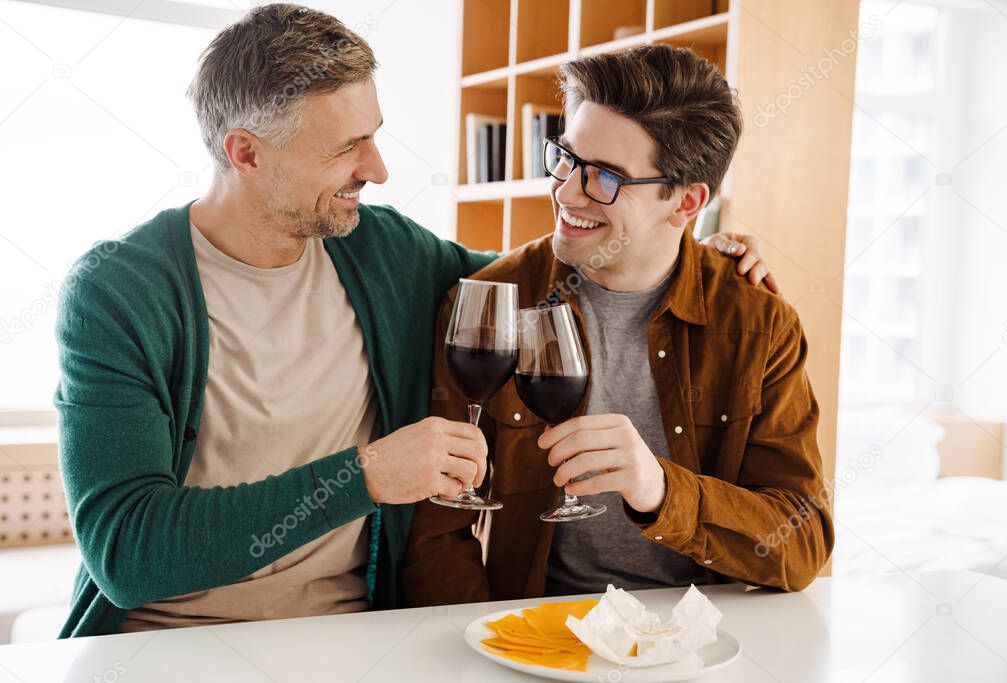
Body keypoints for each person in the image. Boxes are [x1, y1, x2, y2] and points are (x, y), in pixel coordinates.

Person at [55, 5, 772, 637]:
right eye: (346, 149)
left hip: (358, 639)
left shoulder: (380, 249)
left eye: (374, 134)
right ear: (247, 153)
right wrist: (363, 476)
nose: (378, 168)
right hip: (160, 643)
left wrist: (686, 248)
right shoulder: (120, 292)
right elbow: (127, 551)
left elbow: (538, 276)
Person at [403, 45, 832, 606]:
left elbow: (801, 545)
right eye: (565, 159)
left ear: (685, 202)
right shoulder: (492, 305)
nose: (567, 191)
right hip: (536, 628)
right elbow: (438, 535)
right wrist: (488, 642)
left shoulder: (758, 324)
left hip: (697, 637)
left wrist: (658, 489)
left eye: (605, 177)